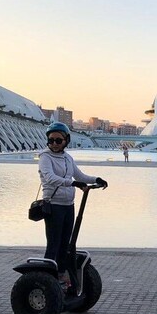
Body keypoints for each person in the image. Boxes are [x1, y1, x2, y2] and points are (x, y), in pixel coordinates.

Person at [39, 122, 108, 287]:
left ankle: (61, 274)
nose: (54, 143)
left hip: (68, 205)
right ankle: (48, 277)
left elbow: (79, 175)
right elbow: (50, 178)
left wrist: (96, 179)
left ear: (66, 141)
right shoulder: (45, 157)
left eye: (58, 140)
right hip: (53, 205)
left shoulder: (67, 158)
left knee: (67, 243)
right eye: (51, 140)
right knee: (54, 243)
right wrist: (72, 184)